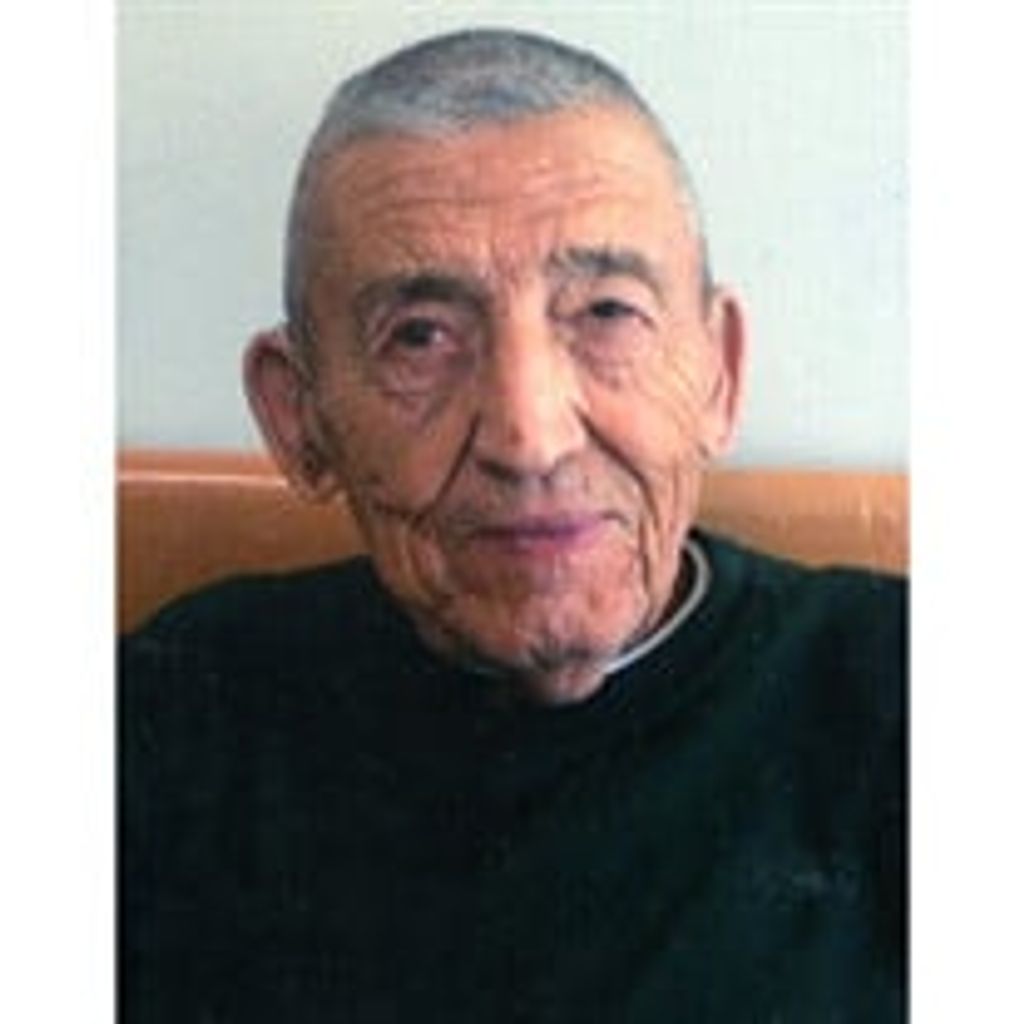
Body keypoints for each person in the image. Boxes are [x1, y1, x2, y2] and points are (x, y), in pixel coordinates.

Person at [119, 28, 906, 1023]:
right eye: (421, 337)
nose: (530, 437)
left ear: (718, 373)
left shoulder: (900, 690)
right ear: (300, 415)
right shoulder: (179, 712)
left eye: (607, 313)